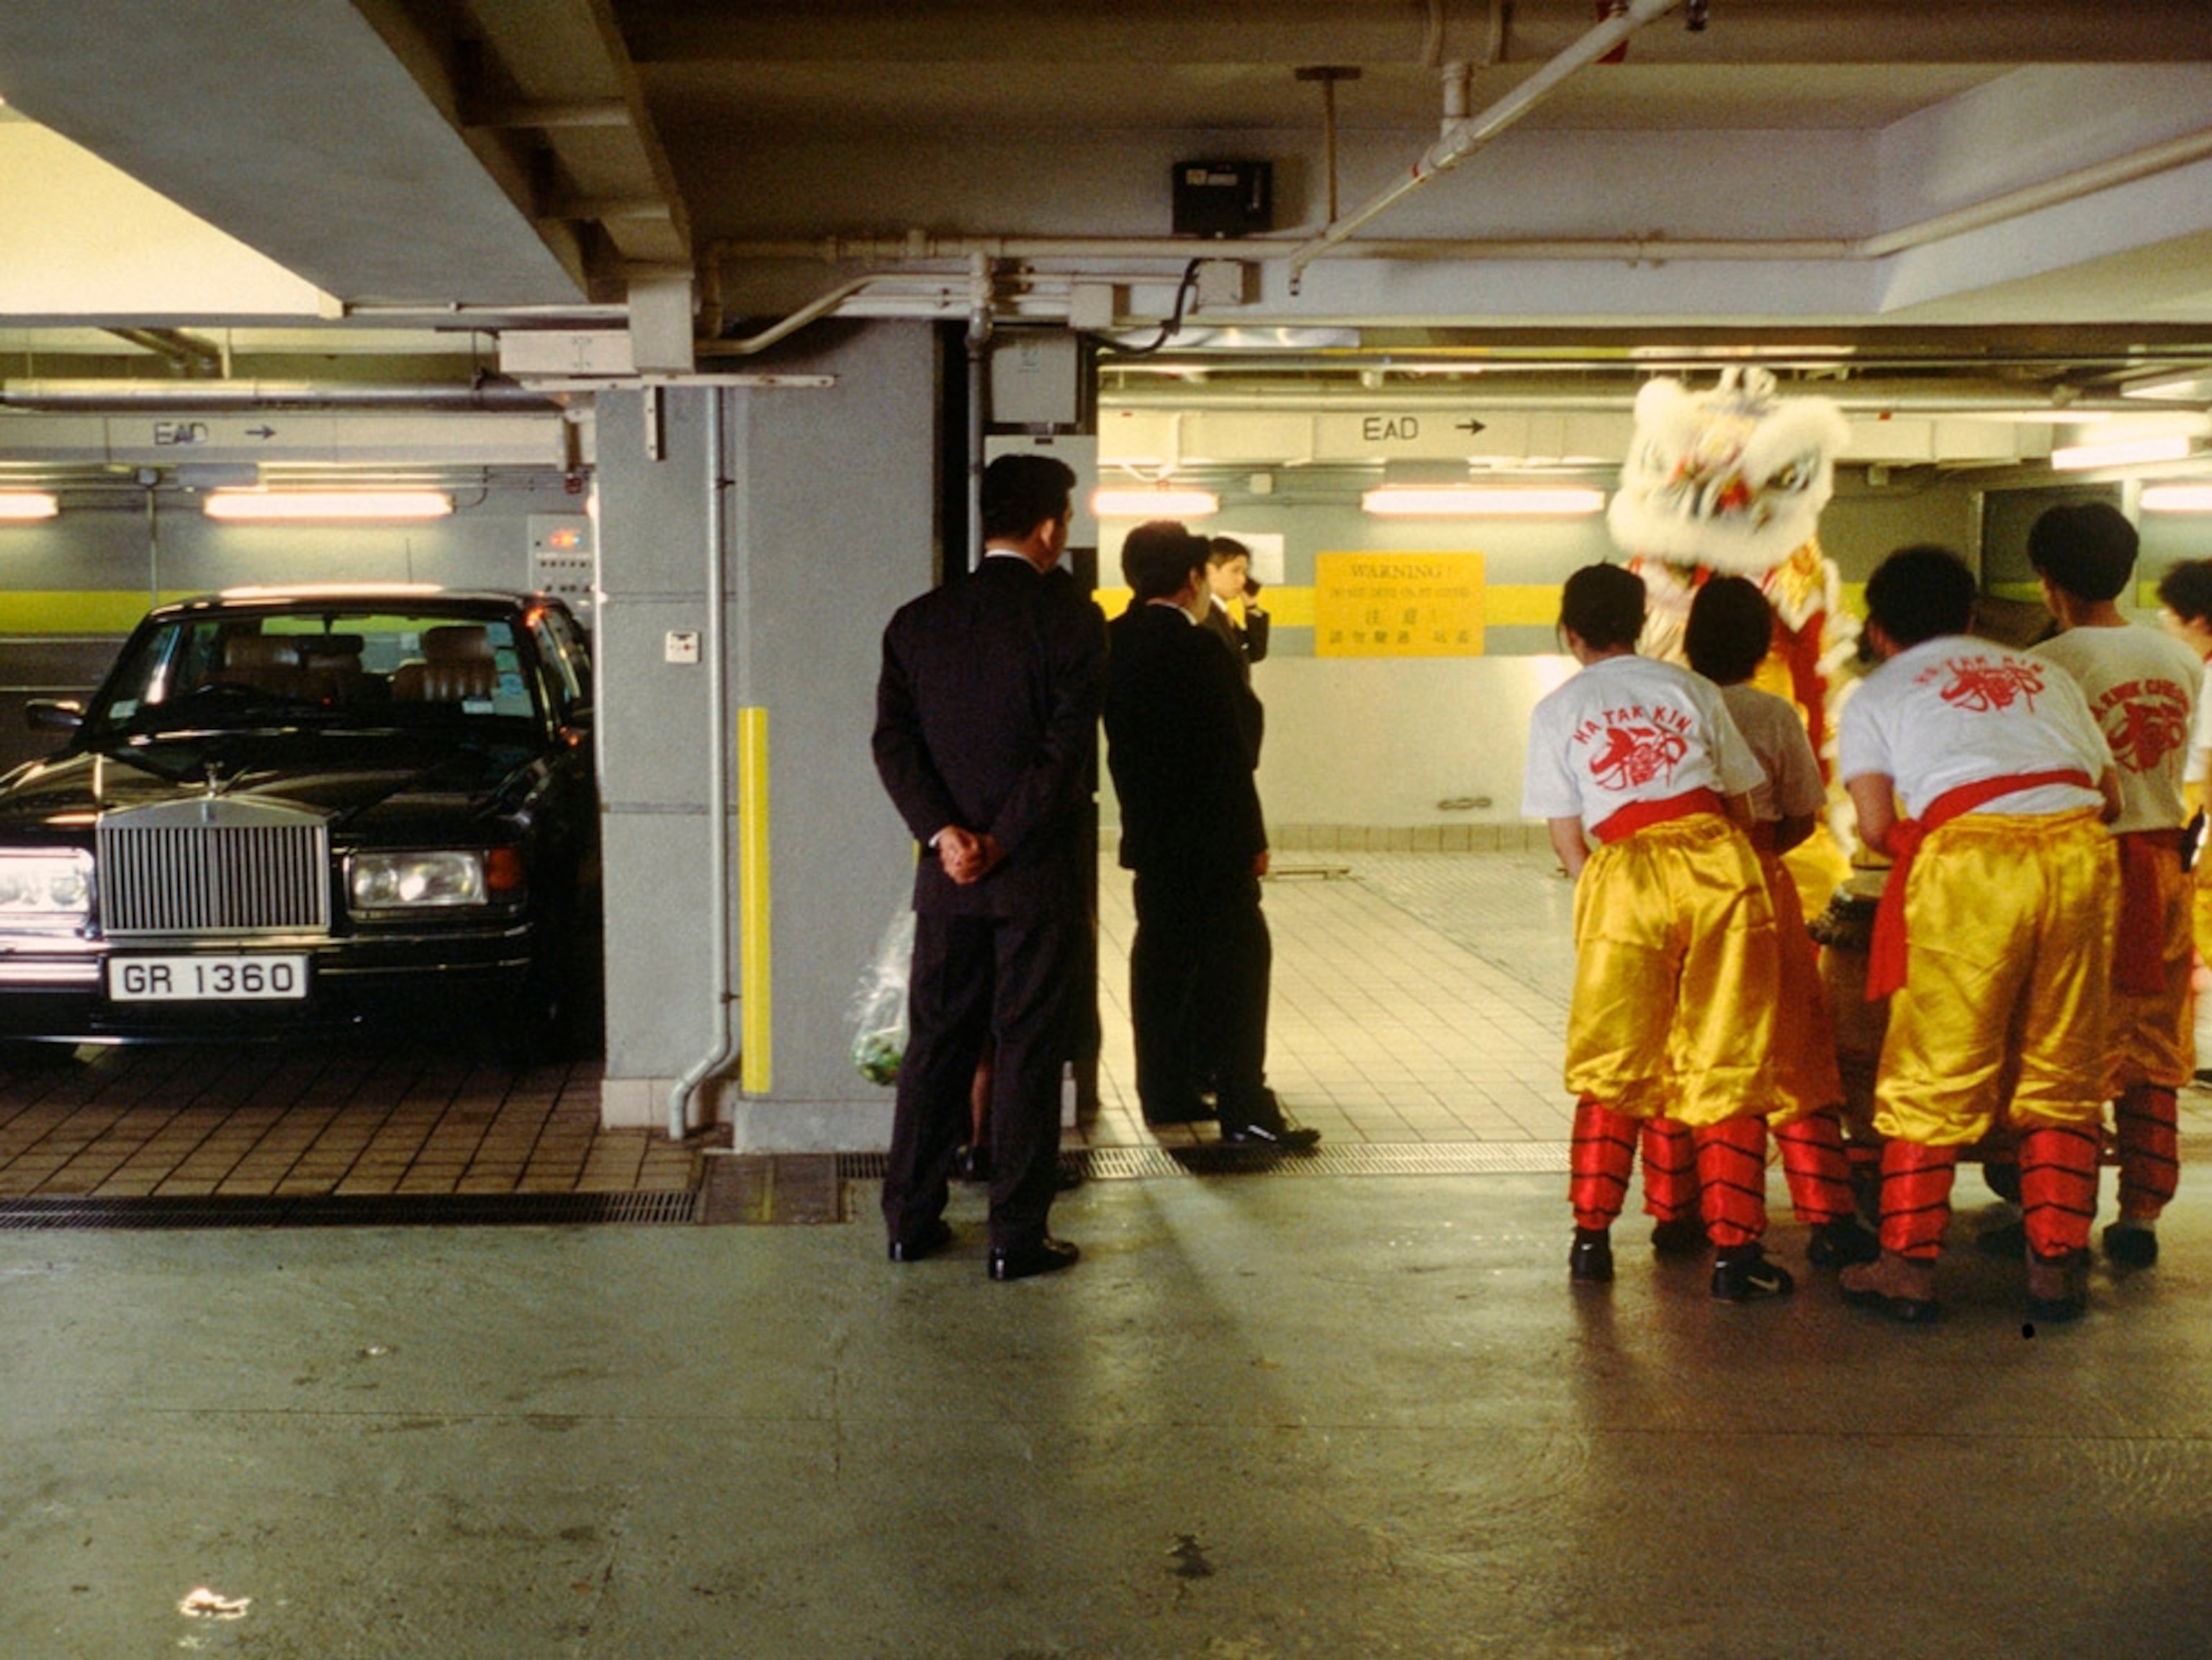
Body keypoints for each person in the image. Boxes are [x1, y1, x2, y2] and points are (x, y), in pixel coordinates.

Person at [1836, 543, 2121, 1325]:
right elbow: (2112, 798)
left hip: (1972, 870)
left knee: (1937, 1064)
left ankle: (1905, 1268)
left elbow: (1876, 826)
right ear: (1970, 615)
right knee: (2063, 1062)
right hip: (2081, 856)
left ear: (1879, 629)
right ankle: (2055, 1269)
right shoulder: (2044, 675)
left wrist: (1946, 838)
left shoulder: (1875, 692)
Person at [1521, 561, 1793, 1302]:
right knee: (1727, 1054)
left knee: (1614, 1058)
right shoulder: (1691, 688)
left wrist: (1606, 898)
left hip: (1625, 873)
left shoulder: (1557, 709)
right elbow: (1745, 805)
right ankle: (1735, 1254)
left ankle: (1590, 1241)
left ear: (1570, 633)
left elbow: (1568, 839)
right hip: (1716, 862)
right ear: (1641, 624)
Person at [871, 452, 1104, 1282]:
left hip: (948, 882)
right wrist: (1001, 840)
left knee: (936, 1043)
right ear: (1048, 528)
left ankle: (909, 1221)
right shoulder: (1072, 622)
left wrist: (945, 833)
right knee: (1027, 1047)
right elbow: (1064, 754)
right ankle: (1015, 1235)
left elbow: (893, 742)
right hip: (1034, 878)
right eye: (1065, 519)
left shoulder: (918, 620)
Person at [1679, 576, 1879, 1269]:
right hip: (1760, 890)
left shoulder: (1673, 707)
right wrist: (1758, 851)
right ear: (1763, 645)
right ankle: (1827, 1216)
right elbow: (1802, 814)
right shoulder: (1772, 713)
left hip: (1679, 894)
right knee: (1795, 1046)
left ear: (1690, 640)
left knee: (1691, 1045)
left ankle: (1682, 1210)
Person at [1104, 520, 1318, 1150]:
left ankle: (1165, 1090)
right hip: (1212, 838)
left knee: (1161, 958)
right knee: (1239, 961)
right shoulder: (1202, 649)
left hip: (1151, 836)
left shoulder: (1112, 641)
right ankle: (1245, 1105)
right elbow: (1235, 752)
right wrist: (1253, 838)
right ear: (1194, 579)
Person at [2027, 504, 2198, 1268]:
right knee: (2155, 1045)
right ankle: (2142, 1215)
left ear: (2047, 580)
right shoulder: (2180, 659)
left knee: (2066, 1046)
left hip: (2085, 871)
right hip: (2166, 868)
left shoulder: (2048, 665)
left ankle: (2054, 1221)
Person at [1202, 536, 1271, 674]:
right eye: (1235, 571)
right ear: (1209, 571)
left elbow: (1254, 653)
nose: (1242, 580)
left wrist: (1251, 606)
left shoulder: (1222, 614)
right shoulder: (1204, 615)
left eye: (1244, 572)